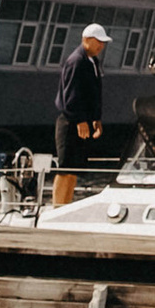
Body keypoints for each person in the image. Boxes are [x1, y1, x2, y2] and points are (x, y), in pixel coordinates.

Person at [53, 22, 113, 205]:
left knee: (74, 169)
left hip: (83, 120)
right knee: (64, 169)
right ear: (86, 40)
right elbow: (70, 95)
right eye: (98, 42)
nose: (101, 46)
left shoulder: (92, 61)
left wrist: (96, 118)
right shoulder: (76, 61)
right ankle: (57, 207)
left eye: (103, 42)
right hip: (70, 122)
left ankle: (66, 205)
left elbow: (94, 93)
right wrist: (80, 121)